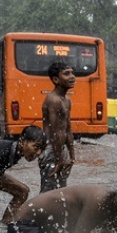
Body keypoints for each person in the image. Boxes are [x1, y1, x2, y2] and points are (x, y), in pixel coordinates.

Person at [39, 61, 75, 193]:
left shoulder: (67, 100)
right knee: (47, 193)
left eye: (72, 73)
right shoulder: (53, 100)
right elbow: (55, 131)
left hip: (61, 149)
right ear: (56, 79)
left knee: (60, 191)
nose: (72, 77)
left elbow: (68, 129)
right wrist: (59, 159)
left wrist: (72, 155)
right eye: (66, 74)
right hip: (52, 149)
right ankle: (38, 213)